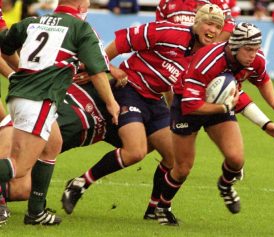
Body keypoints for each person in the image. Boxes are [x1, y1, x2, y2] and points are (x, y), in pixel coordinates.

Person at [60, 3, 227, 219]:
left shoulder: (205, 57)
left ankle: (154, 208)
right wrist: (105, 67)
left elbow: (174, 86)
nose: (212, 30)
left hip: (155, 101)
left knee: (175, 157)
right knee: (136, 152)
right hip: (130, 90)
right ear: (197, 22)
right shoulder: (168, 31)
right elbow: (122, 42)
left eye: (217, 27)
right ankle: (79, 183)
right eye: (209, 23)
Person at [154, 22, 274, 225]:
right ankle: (162, 207)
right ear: (235, 46)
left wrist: (272, 107)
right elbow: (191, 105)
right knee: (183, 167)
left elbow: (262, 79)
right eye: (249, 49)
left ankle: (225, 185)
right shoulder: (208, 61)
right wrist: (224, 107)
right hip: (188, 107)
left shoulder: (254, 59)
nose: (253, 55)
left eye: (256, 49)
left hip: (222, 104)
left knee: (236, 159)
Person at [0, 0, 119, 226]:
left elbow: (5, 48)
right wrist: (112, 103)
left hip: (21, 96)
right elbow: (97, 70)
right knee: (20, 166)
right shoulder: (80, 28)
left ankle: (36, 212)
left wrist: (19, 74)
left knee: (53, 143)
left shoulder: (33, 22)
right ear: (83, 8)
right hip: (39, 101)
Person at [0, 81, 122, 226]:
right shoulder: (90, 74)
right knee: (17, 164)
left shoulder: (129, 116)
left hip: (45, 121)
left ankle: (36, 212)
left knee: (23, 190)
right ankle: (30, 211)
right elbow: (96, 63)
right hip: (33, 109)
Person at [156, 0, 235, 42]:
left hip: (201, 54)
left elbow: (230, 25)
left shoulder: (216, 1)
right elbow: (159, 29)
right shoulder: (166, 2)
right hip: (174, 52)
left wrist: (211, 48)